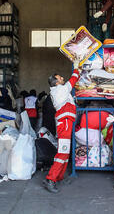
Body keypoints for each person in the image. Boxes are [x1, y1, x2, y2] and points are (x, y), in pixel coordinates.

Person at [42, 61, 80, 193]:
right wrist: (76, 68)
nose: (63, 78)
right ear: (56, 82)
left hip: (65, 122)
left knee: (64, 152)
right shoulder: (60, 90)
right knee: (63, 153)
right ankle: (50, 179)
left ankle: (57, 177)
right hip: (65, 123)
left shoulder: (59, 91)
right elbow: (73, 80)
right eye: (60, 77)